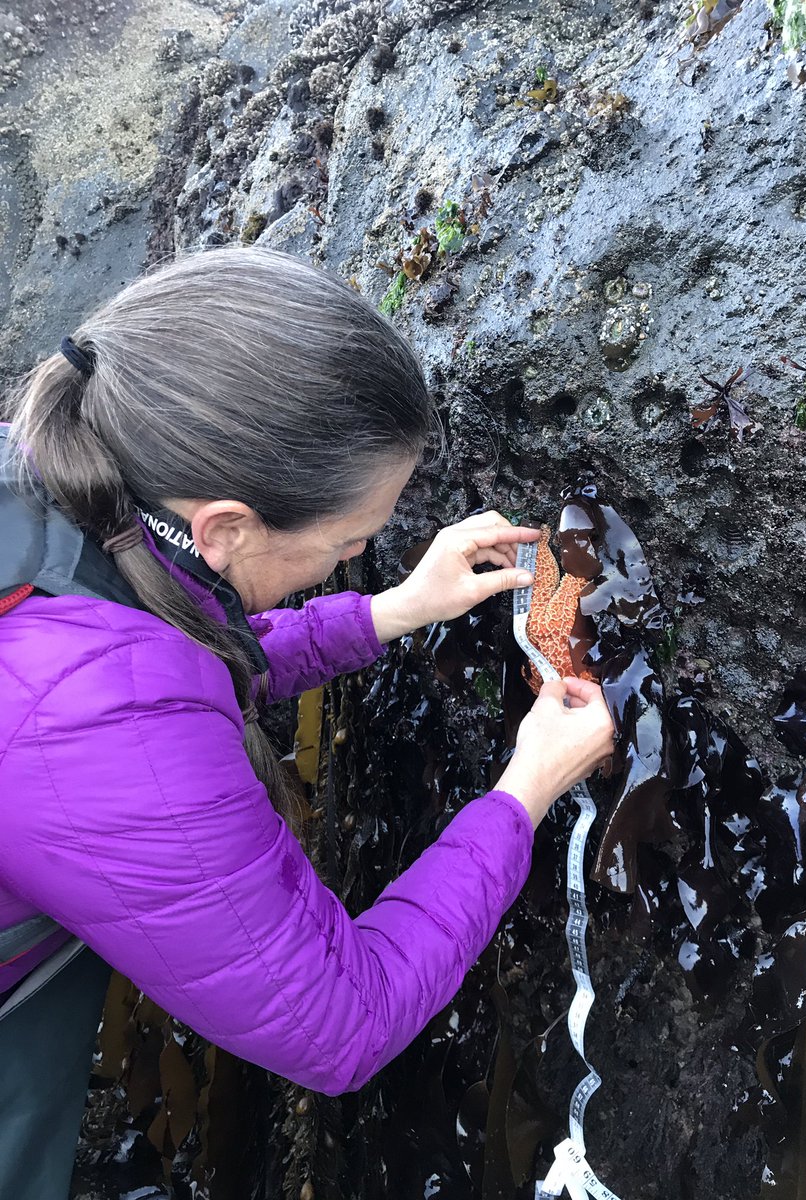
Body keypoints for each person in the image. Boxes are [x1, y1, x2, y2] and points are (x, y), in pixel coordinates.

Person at [0, 246, 614, 1198]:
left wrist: (389, 611)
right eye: (349, 543)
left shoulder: (57, 483)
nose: (356, 556)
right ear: (225, 528)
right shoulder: (99, 719)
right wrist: (522, 795)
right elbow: (339, 1023)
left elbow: (157, 650)